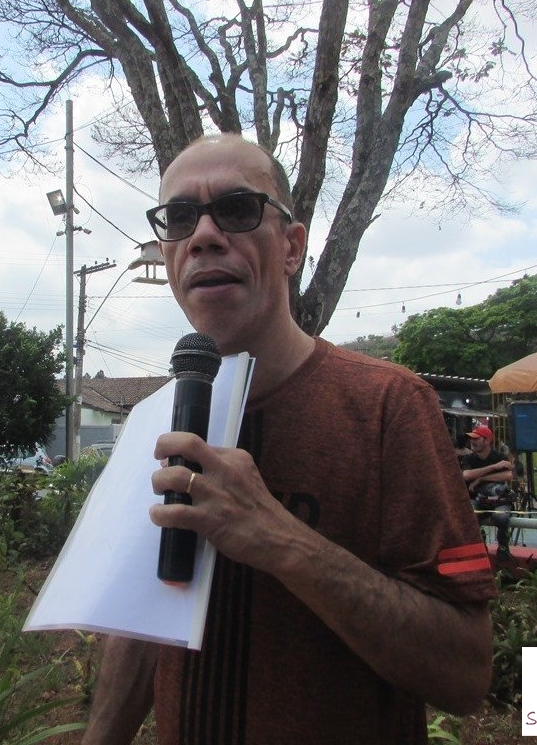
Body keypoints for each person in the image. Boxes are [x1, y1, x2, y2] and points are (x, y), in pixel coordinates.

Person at [82, 134, 496, 745]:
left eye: (236, 209)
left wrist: (282, 540)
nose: (203, 236)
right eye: (179, 217)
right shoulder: (154, 419)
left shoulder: (389, 406)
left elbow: (466, 674)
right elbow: (144, 626)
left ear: (292, 247)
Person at [460, 425, 515, 560]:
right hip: (476, 499)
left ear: (487, 440)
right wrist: (494, 467)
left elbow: (508, 475)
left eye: (476, 438)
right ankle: (480, 544)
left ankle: (503, 547)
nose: (472, 441)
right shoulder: (468, 458)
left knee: (501, 517)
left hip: (499, 500)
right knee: (469, 515)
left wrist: (481, 478)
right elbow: (466, 475)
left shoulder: (500, 456)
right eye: (471, 438)